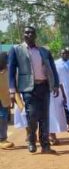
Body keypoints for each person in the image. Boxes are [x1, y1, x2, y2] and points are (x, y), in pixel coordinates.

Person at [7, 25, 60, 153]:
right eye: (27, 33)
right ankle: (31, 140)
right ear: (23, 35)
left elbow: (52, 68)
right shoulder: (16, 49)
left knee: (45, 117)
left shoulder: (44, 50)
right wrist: (12, 90)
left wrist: (56, 84)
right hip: (28, 88)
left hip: (44, 86)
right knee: (32, 115)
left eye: (32, 33)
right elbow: (11, 70)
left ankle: (45, 145)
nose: (29, 35)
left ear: (36, 35)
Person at [0, 51, 13, 149]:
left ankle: (3, 139)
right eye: (5, 60)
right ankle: (2, 139)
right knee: (2, 118)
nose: (6, 62)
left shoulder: (8, 70)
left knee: (3, 118)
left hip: (4, 99)